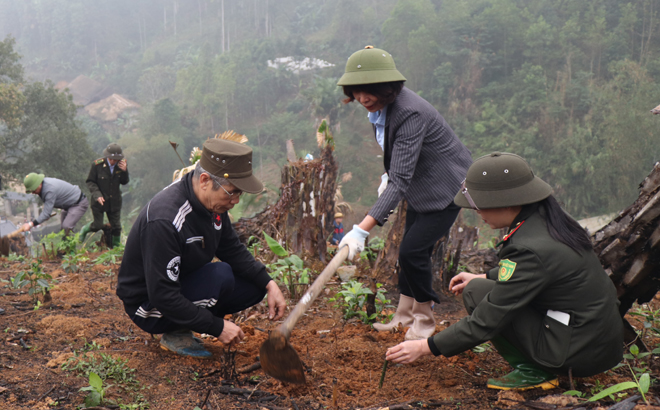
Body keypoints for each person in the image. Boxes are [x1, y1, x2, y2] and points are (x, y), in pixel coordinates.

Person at [385, 152, 624, 390]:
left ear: (508, 201)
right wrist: (484, 276)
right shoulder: (546, 220)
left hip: (579, 352)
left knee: (483, 299)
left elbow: (488, 319)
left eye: (479, 206)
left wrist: (426, 346)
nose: (477, 213)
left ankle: (536, 372)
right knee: (477, 288)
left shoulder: (529, 247)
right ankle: (538, 364)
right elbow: (537, 272)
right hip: (593, 338)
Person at [336, 46, 472, 340]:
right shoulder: (381, 109)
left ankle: (424, 320)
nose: (362, 98)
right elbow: (398, 157)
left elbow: (400, 179)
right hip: (420, 188)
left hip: (445, 189)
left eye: (368, 90)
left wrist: (361, 230)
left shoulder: (410, 112)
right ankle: (404, 314)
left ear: (388, 86)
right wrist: (389, 174)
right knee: (407, 251)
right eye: (356, 91)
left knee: (412, 252)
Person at [116, 139, 287, 358]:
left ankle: (188, 321)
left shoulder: (213, 205)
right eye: (232, 192)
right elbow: (162, 295)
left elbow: (231, 248)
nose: (235, 201)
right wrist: (216, 326)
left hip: (178, 284)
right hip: (150, 306)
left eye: (239, 194)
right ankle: (175, 332)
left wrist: (269, 283)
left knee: (254, 286)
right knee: (221, 274)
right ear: (205, 180)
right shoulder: (165, 220)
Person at [80, 143, 129, 247]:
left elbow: (124, 182)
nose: (113, 161)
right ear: (107, 156)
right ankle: (85, 229)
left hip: (114, 201)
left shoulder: (121, 165)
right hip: (99, 201)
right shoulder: (97, 165)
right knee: (97, 225)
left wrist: (125, 171)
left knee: (116, 227)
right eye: (111, 159)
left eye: (115, 159)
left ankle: (116, 249)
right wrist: (97, 195)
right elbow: (90, 181)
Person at [22, 173, 89, 235]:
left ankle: (74, 244)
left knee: (67, 227)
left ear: (39, 184)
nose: (33, 192)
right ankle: (65, 246)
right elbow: (47, 210)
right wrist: (44, 216)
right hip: (68, 205)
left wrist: (30, 224)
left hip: (78, 203)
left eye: (34, 190)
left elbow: (46, 213)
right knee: (63, 230)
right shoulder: (43, 186)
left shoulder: (49, 190)